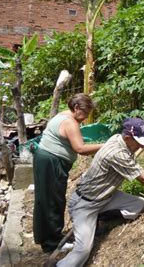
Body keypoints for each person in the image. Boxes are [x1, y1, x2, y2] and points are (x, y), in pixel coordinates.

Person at [57, 118, 144, 267]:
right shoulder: (117, 153)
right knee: (82, 251)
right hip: (85, 204)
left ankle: (101, 217)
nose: (142, 145)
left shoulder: (117, 138)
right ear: (128, 138)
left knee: (138, 204)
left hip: (106, 197)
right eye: (139, 141)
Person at [33, 94, 103, 253]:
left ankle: (46, 237)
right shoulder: (70, 123)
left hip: (44, 158)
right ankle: (52, 243)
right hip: (52, 162)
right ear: (77, 108)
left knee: (45, 199)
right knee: (53, 201)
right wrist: (105, 145)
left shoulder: (63, 114)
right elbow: (80, 149)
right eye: (85, 113)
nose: (85, 117)